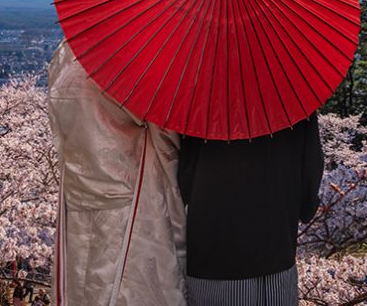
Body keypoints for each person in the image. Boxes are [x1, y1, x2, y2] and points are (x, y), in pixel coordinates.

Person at [47, 40, 188, 306]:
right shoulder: (131, 64)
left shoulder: (65, 58)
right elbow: (165, 137)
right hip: (128, 193)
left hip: (79, 191)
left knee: (82, 285)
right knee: (125, 286)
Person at [177, 113, 323, 305]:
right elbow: (312, 169)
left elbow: (182, 182)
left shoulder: (200, 102)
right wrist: (304, 207)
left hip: (215, 252)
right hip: (277, 246)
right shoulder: (294, 100)